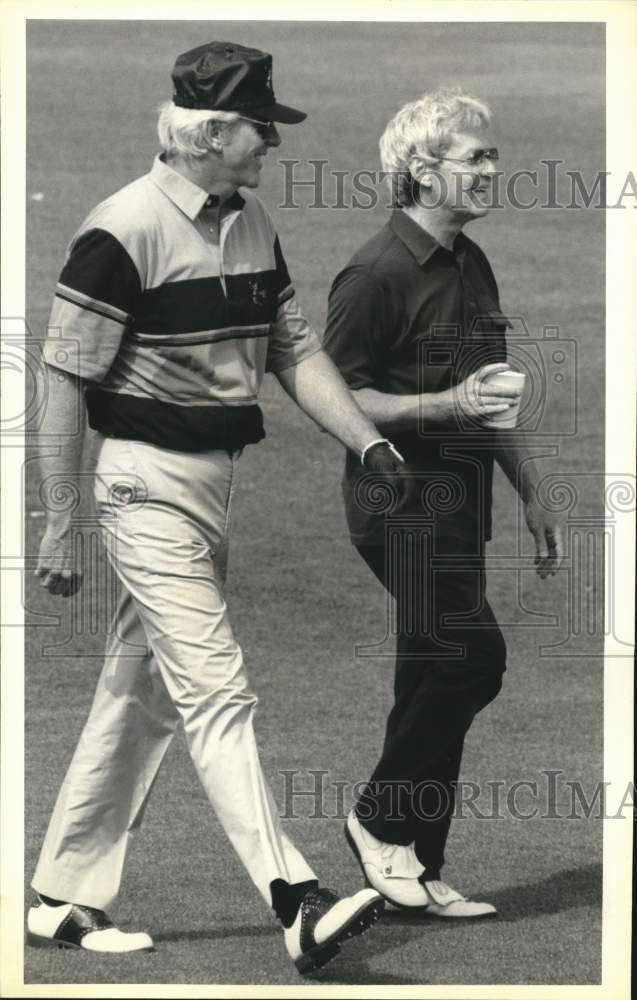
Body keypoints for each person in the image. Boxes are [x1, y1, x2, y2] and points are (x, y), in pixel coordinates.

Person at [28, 41, 404, 973]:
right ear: (207, 135)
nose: (271, 142)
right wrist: (59, 517)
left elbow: (293, 347)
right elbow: (63, 380)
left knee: (142, 691)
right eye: (259, 128)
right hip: (141, 484)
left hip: (211, 486)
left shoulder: (250, 217)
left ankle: (59, 895)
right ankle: (296, 898)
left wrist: (367, 439)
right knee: (216, 689)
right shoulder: (123, 230)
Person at [323, 88, 564, 917]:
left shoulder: (469, 260)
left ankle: (414, 868)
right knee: (470, 658)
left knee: (432, 671)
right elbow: (337, 397)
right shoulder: (373, 275)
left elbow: (488, 394)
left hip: (461, 504)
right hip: (397, 505)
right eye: (476, 158)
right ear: (422, 172)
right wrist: (439, 408)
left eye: (491, 155)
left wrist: (531, 491)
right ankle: (373, 822)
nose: (493, 170)